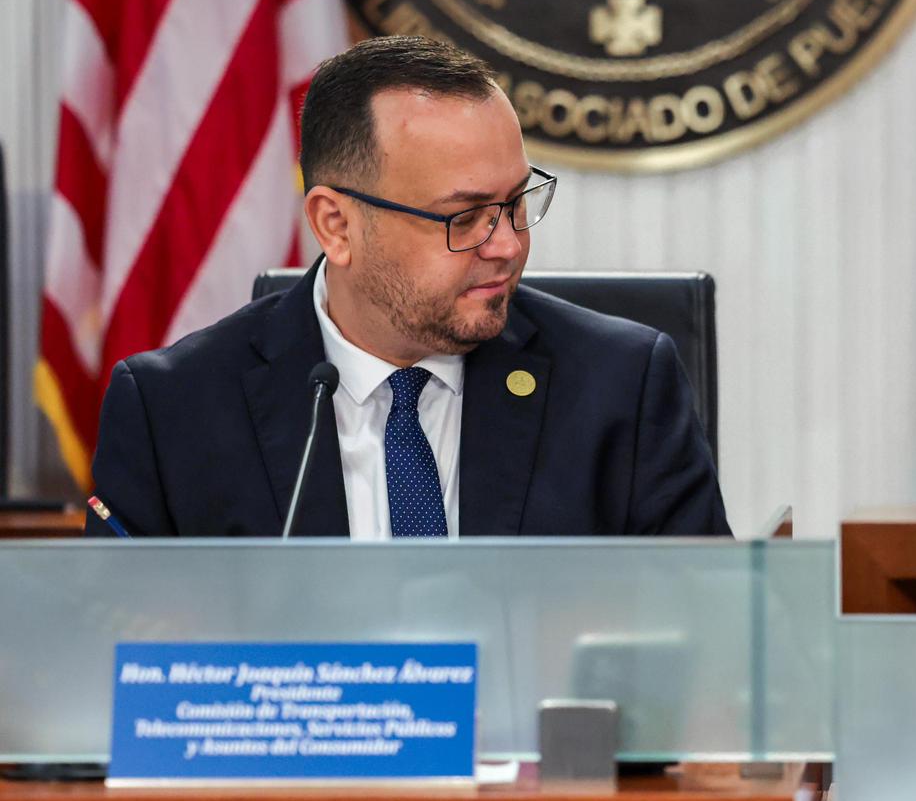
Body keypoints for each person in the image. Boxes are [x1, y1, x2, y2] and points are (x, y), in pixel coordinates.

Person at [87, 36, 729, 538]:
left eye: (516, 202)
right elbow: (117, 659)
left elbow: (706, 643)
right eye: (464, 216)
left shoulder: (622, 388)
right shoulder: (173, 412)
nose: (507, 244)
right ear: (335, 225)